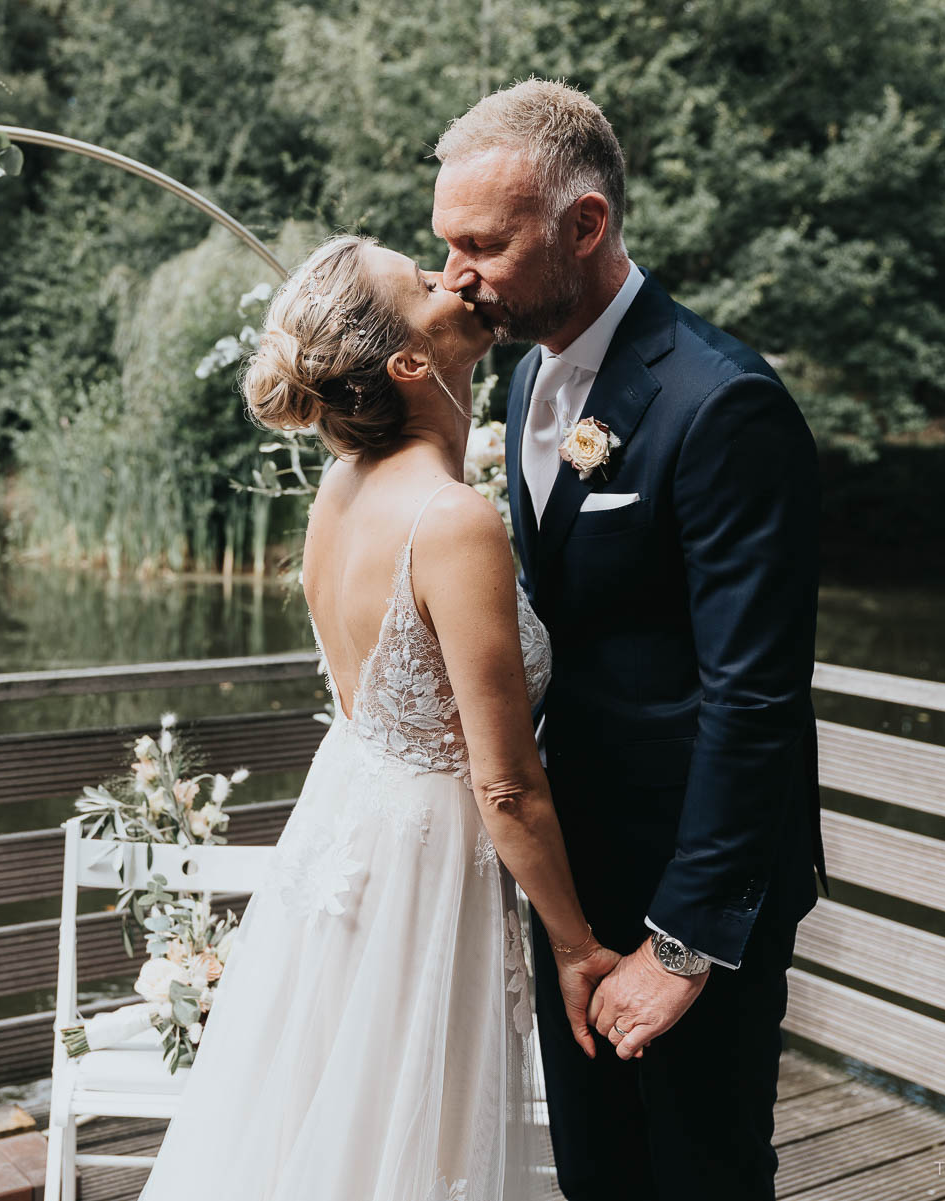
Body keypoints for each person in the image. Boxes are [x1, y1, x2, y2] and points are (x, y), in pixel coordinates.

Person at [134, 228, 600, 1200]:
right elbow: (507, 784)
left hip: (348, 830)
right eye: (428, 280)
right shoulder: (452, 520)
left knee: (328, 1126)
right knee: (404, 1143)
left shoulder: (337, 494)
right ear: (408, 361)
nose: (455, 278)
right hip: (422, 872)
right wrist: (578, 947)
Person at [432, 78, 830, 1200]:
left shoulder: (724, 403)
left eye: (483, 245)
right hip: (579, 879)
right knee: (597, 1173)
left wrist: (683, 944)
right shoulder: (523, 376)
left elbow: (752, 696)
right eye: (445, 245)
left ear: (586, 225)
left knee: (702, 1175)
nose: (455, 275)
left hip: (693, 889)